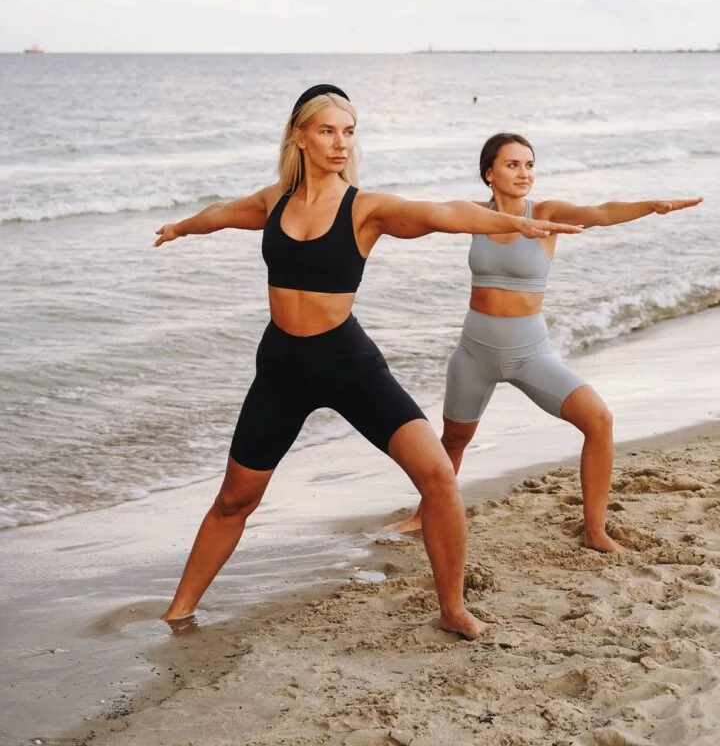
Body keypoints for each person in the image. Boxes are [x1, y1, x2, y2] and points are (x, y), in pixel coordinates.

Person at [153, 90, 583, 639]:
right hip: (281, 367)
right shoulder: (274, 202)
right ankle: (179, 610)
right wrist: (181, 227)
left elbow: (438, 214)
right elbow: (220, 214)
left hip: (346, 360)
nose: (341, 143)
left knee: (438, 479)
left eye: (349, 131)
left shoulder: (365, 208)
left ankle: (452, 609)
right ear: (300, 136)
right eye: (329, 131)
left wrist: (516, 222)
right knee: (236, 498)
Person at [387, 131, 702, 552]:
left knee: (599, 420)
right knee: (454, 441)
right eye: (513, 164)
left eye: (529, 164)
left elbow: (601, 212)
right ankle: (425, 514)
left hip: (529, 353)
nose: (524, 173)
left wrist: (649, 206)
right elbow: (430, 214)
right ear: (489, 173)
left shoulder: (548, 213)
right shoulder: (473, 215)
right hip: (474, 353)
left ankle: (595, 531)